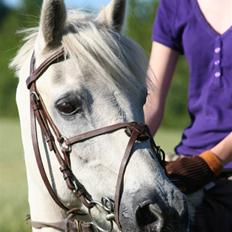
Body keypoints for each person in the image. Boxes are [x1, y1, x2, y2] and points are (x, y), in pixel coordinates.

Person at [143, 0, 232, 231]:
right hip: (191, 165)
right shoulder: (175, 5)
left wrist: (212, 161)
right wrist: (125, 151)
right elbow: (151, 103)